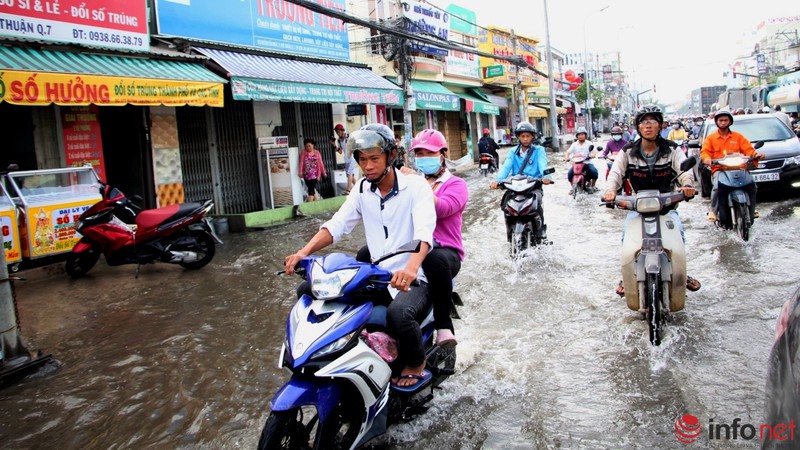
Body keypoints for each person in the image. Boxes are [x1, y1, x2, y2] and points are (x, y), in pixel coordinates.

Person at [284, 123, 436, 389]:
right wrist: (303, 252)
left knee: (400, 315)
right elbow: (337, 225)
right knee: (308, 291)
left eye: (374, 158)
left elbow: (425, 233)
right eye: (362, 160)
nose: (367, 166)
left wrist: (411, 268)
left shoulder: (416, 186)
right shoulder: (362, 189)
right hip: (378, 277)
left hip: (413, 279)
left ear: (390, 156)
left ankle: (415, 362)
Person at [603, 105, 701, 296]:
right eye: (644, 122)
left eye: (653, 121)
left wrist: (687, 185)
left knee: (679, 235)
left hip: (667, 208)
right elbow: (615, 173)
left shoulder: (672, 149)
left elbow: (684, 170)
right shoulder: (628, 151)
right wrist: (610, 191)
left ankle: (682, 272)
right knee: (626, 238)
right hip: (638, 209)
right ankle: (628, 276)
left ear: (660, 125)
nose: (648, 126)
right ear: (638, 127)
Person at [401, 129, 468, 347]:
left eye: (428, 153)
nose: (422, 158)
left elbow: (445, 208)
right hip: (413, 247)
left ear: (442, 155)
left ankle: (443, 326)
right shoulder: (410, 182)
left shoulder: (456, 184)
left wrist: (418, 186)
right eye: (419, 154)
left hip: (445, 252)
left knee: (434, 258)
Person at [490, 121, 553, 238]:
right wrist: (498, 180)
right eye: (522, 136)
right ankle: (509, 232)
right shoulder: (512, 152)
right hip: (516, 185)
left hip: (533, 185)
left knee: (537, 202)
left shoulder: (539, 150)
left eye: (528, 136)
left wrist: (546, 177)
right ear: (518, 137)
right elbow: (506, 167)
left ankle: (541, 230)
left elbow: (543, 165)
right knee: (505, 203)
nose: (525, 139)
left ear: (532, 137)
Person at [700, 109, 764, 222]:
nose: (723, 122)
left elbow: (748, 149)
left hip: (739, 167)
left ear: (730, 122)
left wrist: (755, 155)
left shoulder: (738, 137)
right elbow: (705, 151)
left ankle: (752, 209)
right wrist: (707, 159)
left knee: (752, 185)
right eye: (721, 120)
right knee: (716, 187)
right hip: (720, 169)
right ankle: (713, 211)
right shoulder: (711, 138)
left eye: (726, 120)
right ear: (717, 122)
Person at [564, 126, 599, 193]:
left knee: (594, 172)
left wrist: (593, 155)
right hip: (577, 163)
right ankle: (572, 188)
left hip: (587, 162)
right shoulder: (574, 144)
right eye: (579, 135)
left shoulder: (589, 143)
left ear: (585, 135)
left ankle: (593, 185)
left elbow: (593, 151)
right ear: (577, 136)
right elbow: (568, 152)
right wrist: (566, 157)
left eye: (582, 134)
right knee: (570, 174)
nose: (581, 136)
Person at [334, 123, 354, 195]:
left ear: (342, 131)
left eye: (339, 132)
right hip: (346, 158)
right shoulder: (339, 140)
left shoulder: (348, 136)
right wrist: (334, 145)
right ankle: (359, 188)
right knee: (351, 176)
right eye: (336, 132)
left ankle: (349, 190)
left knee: (349, 173)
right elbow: (340, 151)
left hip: (353, 157)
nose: (338, 133)